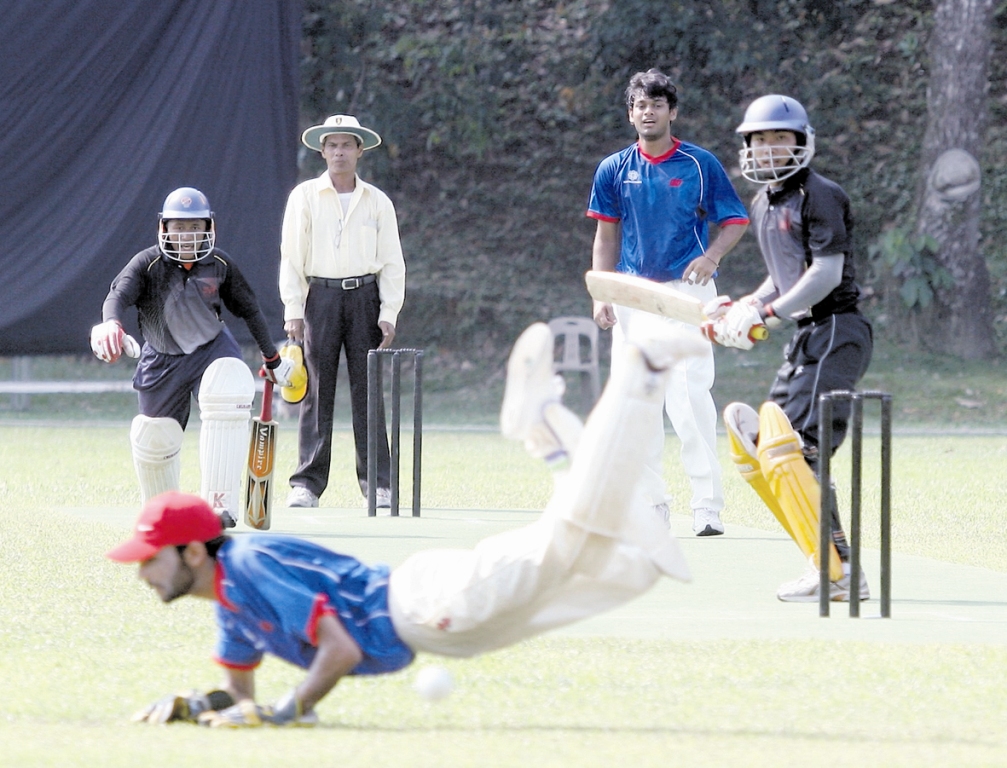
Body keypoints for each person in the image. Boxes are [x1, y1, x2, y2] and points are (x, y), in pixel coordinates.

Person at [109, 322, 702, 727]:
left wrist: (287, 712)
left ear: (191, 554)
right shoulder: (230, 605)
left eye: (148, 557)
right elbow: (243, 700)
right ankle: (551, 445)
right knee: (633, 570)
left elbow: (336, 650)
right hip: (439, 630)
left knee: (570, 537)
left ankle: (635, 374)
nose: (141, 572)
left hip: (425, 603)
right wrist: (202, 704)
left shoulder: (247, 566)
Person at [704, 94, 873, 602]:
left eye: (781, 138)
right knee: (769, 450)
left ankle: (840, 571)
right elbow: (782, 277)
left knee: (799, 450)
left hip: (837, 330)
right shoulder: (762, 204)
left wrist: (769, 315)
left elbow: (826, 273)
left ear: (803, 142)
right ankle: (831, 566)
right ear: (747, 146)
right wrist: (742, 307)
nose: (769, 148)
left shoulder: (821, 195)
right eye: (760, 139)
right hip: (807, 338)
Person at [587, 68, 750, 537]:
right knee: (637, 401)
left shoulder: (700, 164)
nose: (648, 112)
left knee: (689, 399)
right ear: (630, 113)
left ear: (671, 112)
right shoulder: (613, 168)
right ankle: (652, 505)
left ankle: (707, 508)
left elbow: (734, 220)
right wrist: (602, 291)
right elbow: (606, 234)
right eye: (640, 105)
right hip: (635, 294)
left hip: (688, 295)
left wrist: (711, 255)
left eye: (657, 105)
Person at [90, 187, 292, 527]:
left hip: (211, 349)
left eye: (194, 226)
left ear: (207, 228)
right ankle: (164, 512)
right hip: (162, 356)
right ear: (164, 228)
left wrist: (272, 359)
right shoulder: (147, 263)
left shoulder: (220, 264)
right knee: (153, 436)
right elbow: (116, 297)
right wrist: (110, 324)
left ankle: (219, 506)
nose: (186, 235)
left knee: (228, 385)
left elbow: (250, 309)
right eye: (179, 227)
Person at [279, 115, 406, 510]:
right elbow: (291, 256)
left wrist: (389, 311)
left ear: (359, 151)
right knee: (317, 392)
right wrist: (293, 308)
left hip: (364, 296)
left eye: (346, 145)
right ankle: (307, 484)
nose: (339, 152)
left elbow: (392, 262)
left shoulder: (377, 200)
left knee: (369, 392)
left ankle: (378, 484)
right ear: (322, 151)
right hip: (321, 297)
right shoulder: (304, 196)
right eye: (332, 145)